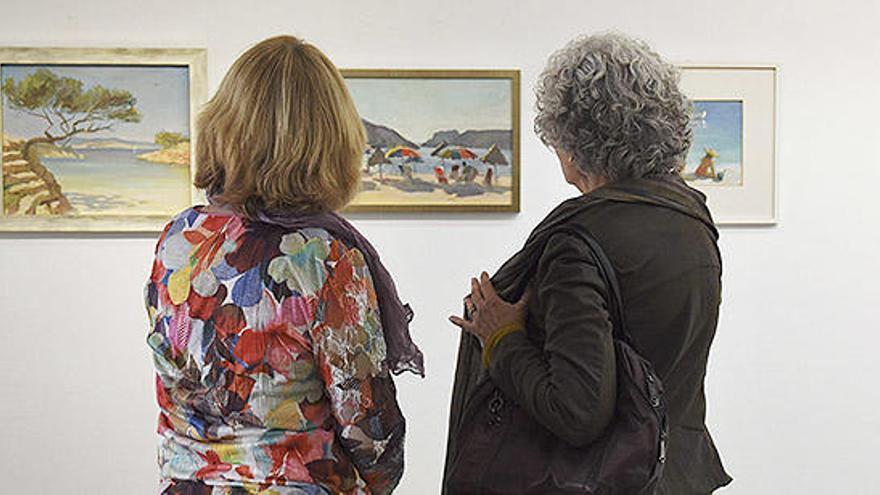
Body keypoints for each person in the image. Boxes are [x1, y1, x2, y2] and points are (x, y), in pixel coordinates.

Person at [444, 33, 731, 494]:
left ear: (575, 143)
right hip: (675, 476)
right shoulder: (693, 222)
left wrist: (501, 337)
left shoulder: (577, 242)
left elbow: (576, 412)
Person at [145, 35, 423, 495]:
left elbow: (175, 380)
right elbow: (368, 426)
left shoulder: (180, 237)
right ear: (330, 138)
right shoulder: (323, 257)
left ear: (225, 125)